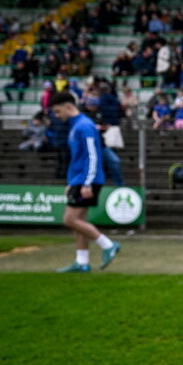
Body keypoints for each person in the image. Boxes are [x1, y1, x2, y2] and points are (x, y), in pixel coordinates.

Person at [48, 92, 121, 273]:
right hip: (80, 179)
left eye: (58, 111)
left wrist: (87, 182)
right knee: (78, 221)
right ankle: (82, 262)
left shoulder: (84, 126)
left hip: (87, 180)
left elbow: (92, 155)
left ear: (68, 106)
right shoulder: (76, 126)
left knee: (70, 219)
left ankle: (108, 245)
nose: (57, 116)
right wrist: (72, 183)